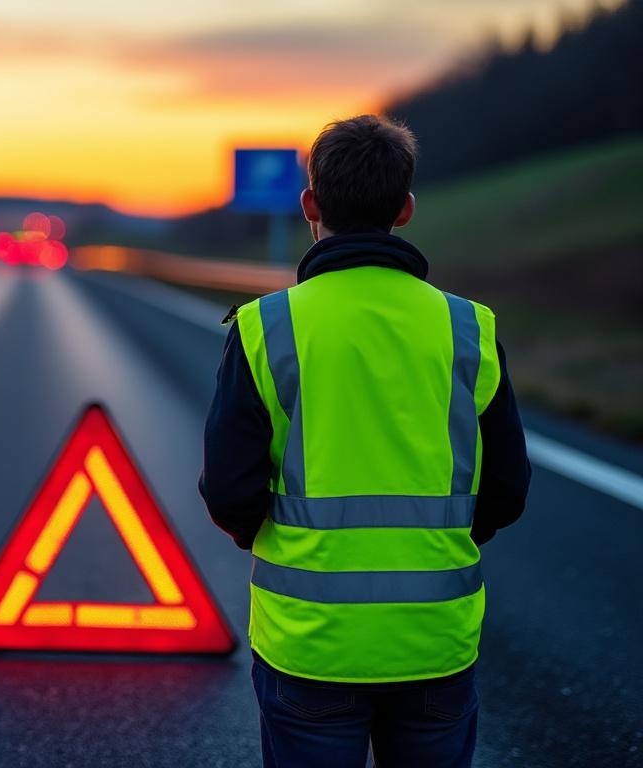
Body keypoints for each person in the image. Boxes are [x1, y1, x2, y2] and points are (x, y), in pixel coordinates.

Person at [199, 115, 531, 768]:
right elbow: (506, 490)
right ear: (404, 209)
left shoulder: (268, 326)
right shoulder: (468, 328)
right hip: (434, 643)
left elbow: (230, 490)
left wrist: (270, 536)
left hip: (310, 644)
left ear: (310, 205)